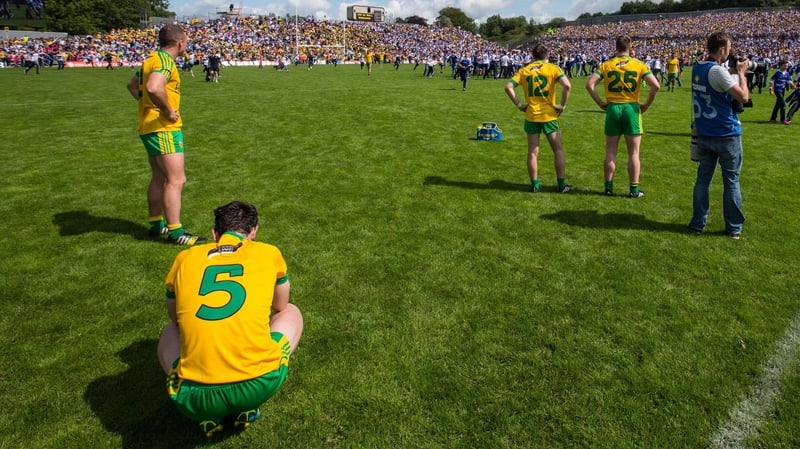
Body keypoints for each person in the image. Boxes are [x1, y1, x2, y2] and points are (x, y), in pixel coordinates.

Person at [157, 201, 304, 437]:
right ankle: (248, 405)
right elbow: (280, 305)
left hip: (194, 397)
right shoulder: (268, 252)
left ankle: (207, 413)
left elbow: (174, 317)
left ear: (215, 234)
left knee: (169, 331)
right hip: (258, 383)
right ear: (253, 231)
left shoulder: (185, 258)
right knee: (291, 311)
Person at [126, 24, 206, 246]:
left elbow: (132, 86)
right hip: (163, 128)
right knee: (176, 179)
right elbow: (153, 87)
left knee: (159, 177)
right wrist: (167, 110)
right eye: (186, 42)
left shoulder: (150, 60)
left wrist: (147, 106)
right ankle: (175, 232)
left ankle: (155, 224)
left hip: (149, 127)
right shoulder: (164, 61)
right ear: (180, 42)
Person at [688, 31, 750, 240]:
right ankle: (734, 228)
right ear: (722, 48)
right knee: (731, 181)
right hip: (726, 133)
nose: (730, 52)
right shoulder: (718, 72)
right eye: (729, 48)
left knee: (703, 180)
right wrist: (741, 74)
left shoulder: (698, 67)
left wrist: (732, 69)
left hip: (705, 132)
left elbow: (716, 75)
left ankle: (698, 223)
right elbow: (744, 97)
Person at [586, 36, 660, 198]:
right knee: (633, 153)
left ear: (616, 47)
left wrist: (600, 103)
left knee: (610, 151)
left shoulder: (606, 65)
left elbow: (590, 84)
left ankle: (608, 188)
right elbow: (656, 85)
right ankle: (634, 190)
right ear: (630, 47)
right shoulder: (639, 64)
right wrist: (646, 104)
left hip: (613, 108)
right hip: (631, 108)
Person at [504, 43, 573, 193]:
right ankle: (561, 185)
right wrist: (562, 105)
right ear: (547, 55)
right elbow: (567, 86)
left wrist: (519, 105)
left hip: (531, 115)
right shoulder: (553, 68)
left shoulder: (525, 70)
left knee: (533, 152)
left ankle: (535, 185)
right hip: (549, 115)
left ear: (533, 56)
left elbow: (508, 86)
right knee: (558, 150)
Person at [768, 60, 795, 124]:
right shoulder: (778, 73)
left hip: (782, 91)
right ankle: (783, 120)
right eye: (785, 65)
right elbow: (771, 80)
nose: (786, 66)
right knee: (783, 104)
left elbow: (788, 81)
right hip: (777, 90)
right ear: (781, 65)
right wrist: (770, 89)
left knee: (778, 105)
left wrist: (793, 85)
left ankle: (773, 118)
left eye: (787, 65)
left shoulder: (787, 73)